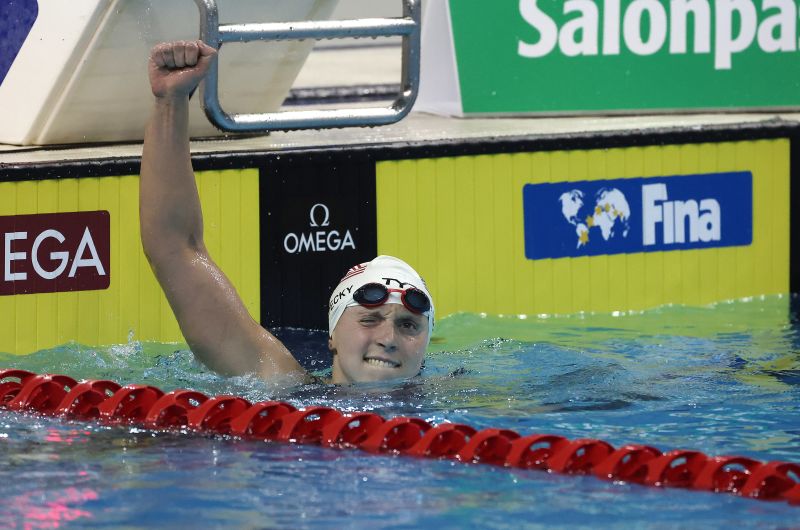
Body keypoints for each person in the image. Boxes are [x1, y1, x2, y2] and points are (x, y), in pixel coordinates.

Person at [139, 41, 434, 384]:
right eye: (368, 319)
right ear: (332, 337)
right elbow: (174, 248)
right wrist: (170, 102)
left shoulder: (462, 406)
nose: (388, 339)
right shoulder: (286, 390)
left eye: (409, 325)